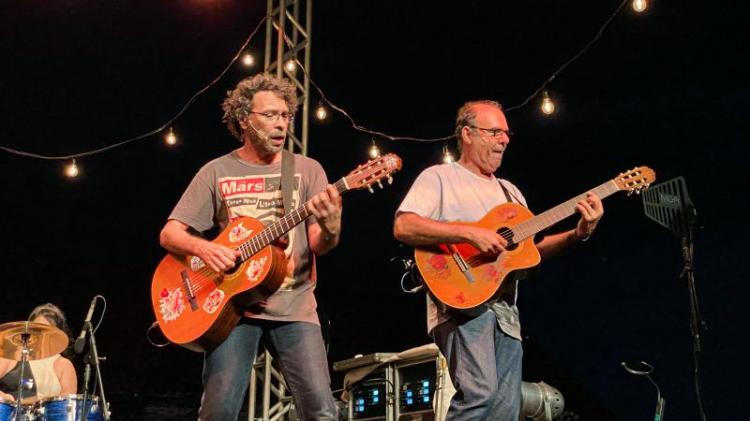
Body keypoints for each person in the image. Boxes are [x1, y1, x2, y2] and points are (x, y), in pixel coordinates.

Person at [393, 100, 604, 420]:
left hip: (505, 311)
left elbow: (531, 252)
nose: (504, 140)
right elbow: (404, 226)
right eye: (494, 132)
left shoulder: (511, 193)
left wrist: (578, 233)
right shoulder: (440, 177)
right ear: (467, 134)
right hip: (462, 302)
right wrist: (469, 234)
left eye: (506, 133)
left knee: (506, 409)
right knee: (480, 395)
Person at [159, 74, 342, 420]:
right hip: (233, 311)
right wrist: (205, 250)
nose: (281, 124)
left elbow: (321, 244)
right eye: (270, 115)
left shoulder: (306, 170)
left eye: (286, 115)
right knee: (218, 413)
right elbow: (170, 234)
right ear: (244, 119)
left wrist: (332, 225)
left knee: (322, 411)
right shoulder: (216, 171)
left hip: (295, 306)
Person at [0, 303, 78, 403]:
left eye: (46, 330)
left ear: (57, 335)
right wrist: (4, 397)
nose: (40, 334)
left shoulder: (63, 365)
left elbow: (67, 408)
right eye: (36, 329)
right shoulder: (13, 356)